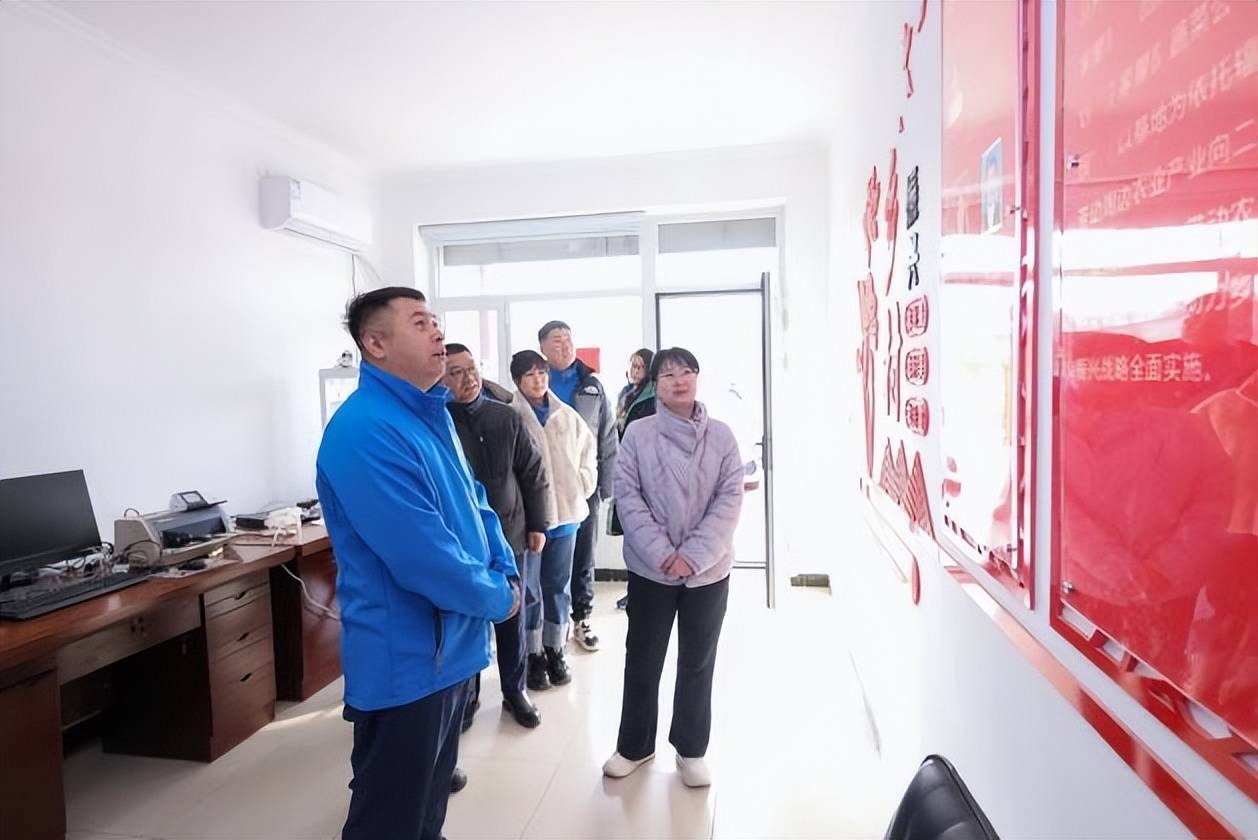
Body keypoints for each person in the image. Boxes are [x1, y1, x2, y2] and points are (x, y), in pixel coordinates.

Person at [316, 287, 520, 840]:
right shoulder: (363, 430)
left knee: (428, 807)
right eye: (419, 322)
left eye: (435, 320)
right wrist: (499, 597)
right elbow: (423, 557)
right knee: (390, 819)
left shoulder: (431, 414)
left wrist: (505, 567)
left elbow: (476, 502)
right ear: (375, 343)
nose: (437, 332)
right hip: (406, 663)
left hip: (449, 649)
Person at [602, 347, 744, 788]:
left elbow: (729, 500)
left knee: (698, 660)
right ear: (655, 385)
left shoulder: (722, 436)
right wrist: (663, 553)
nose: (678, 380)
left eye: (686, 372)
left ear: (697, 378)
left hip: (708, 571)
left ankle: (691, 749)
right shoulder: (638, 434)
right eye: (667, 375)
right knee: (643, 658)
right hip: (652, 569)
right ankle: (634, 746)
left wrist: (694, 555)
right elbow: (628, 496)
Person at [444, 342, 550, 732]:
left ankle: (514, 691)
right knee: (469, 619)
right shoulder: (438, 423)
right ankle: (467, 696)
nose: (468, 378)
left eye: (471, 368)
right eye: (455, 372)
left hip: (511, 535)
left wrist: (538, 524)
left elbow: (533, 473)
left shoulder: (506, 417)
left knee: (512, 616)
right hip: (463, 543)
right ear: (440, 378)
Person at [508, 349, 597, 691]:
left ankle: (554, 648)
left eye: (542, 373)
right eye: (530, 375)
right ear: (517, 381)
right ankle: (533, 654)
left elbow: (588, 453)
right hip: (531, 522)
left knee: (558, 587)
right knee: (530, 590)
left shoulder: (566, 415)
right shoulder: (511, 416)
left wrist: (582, 484)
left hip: (567, 516)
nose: (538, 380)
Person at [538, 319, 617, 652]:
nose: (565, 345)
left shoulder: (591, 386)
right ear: (542, 347)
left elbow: (607, 435)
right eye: (557, 340)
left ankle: (582, 617)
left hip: (584, 485)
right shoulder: (536, 381)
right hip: (544, 487)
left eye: (568, 339)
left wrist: (605, 486)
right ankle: (548, 624)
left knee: (584, 554)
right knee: (548, 558)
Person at [610, 348, 658, 610]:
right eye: (633, 365)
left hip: (646, 472)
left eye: (640, 366)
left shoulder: (654, 396)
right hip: (625, 466)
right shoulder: (625, 394)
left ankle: (642, 591)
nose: (635, 371)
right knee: (630, 534)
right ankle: (633, 590)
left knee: (644, 532)